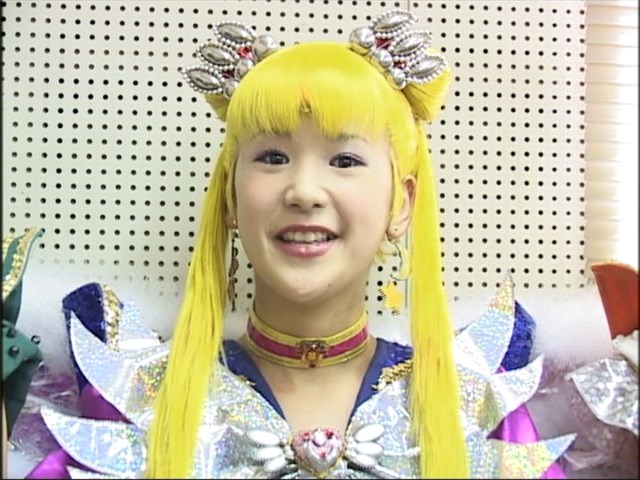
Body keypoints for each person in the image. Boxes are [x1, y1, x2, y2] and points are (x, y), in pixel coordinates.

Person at [24, 8, 574, 479]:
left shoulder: (466, 410)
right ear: (231, 198)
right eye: (273, 157)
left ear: (401, 204)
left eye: (345, 160)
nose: (305, 190)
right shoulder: (147, 401)